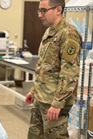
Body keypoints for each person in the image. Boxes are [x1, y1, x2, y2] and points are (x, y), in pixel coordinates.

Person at [25, 0, 82, 138]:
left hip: (53, 101)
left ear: (58, 10)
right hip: (41, 98)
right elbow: (44, 67)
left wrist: (57, 104)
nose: (40, 15)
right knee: (35, 135)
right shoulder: (49, 32)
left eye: (43, 10)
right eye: (39, 11)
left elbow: (70, 73)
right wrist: (34, 90)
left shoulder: (69, 34)